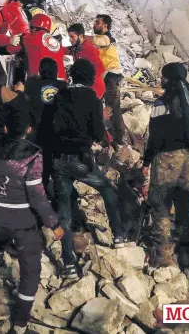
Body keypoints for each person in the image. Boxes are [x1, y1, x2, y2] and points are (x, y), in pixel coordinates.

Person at [0, 97, 64, 334]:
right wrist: (54, 224)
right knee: (30, 271)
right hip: (23, 223)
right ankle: (19, 324)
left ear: (5, 127)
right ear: (29, 129)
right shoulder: (32, 156)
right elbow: (37, 197)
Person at [53, 59, 130, 279]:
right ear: (89, 77)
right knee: (107, 189)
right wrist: (102, 117)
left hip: (59, 160)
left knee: (64, 211)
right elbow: (98, 134)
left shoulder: (59, 95)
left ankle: (68, 264)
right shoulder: (92, 98)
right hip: (81, 160)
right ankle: (119, 236)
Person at [141, 63, 189, 268]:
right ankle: (187, 250)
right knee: (184, 203)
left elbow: (155, 135)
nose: (161, 80)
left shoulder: (162, 101)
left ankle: (163, 253)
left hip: (167, 157)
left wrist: (147, 160)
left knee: (161, 203)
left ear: (168, 78)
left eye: (163, 76)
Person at [25, 58, 67, 192]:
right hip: (56, 133)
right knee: (53, 167)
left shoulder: (31, 85)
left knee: (36, 166)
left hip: (35, 133)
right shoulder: (63, 86)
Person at [92, 14, 125, 147]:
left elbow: (98, 42)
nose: (94, 24)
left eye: (98, 22)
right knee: (98, 105)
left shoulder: (107, 38)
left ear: (105, 26)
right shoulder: (100, 38)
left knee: (113, 108)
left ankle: (119, 139)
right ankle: (102, 135)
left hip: (111, 77)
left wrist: (80, 37)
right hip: (102, 77)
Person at [10, 13, 66, 81]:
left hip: (40, 84)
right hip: (62, 85)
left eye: (31, 28)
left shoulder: (29, 38)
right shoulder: (58, 44)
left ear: (34, 28)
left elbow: (9, 48)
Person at [66, 23, 105, 99]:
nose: (70, 40)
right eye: (69, 37)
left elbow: (101, 68)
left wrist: (87, 80)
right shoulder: (76, 48)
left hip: (95, 88)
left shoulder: (90, 50)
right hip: (83, 86)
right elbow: (62, 50)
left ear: (80, 36)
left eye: (72, 37)